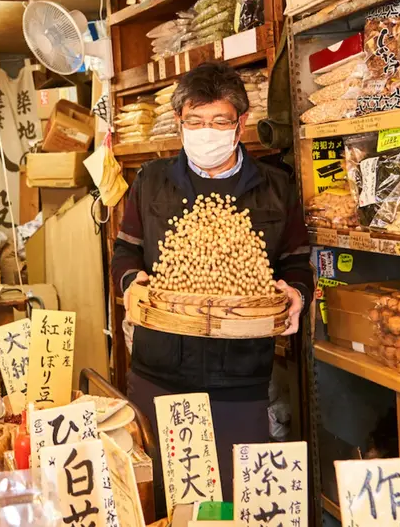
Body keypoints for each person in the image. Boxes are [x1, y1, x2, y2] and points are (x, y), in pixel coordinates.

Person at [111, 61, 310, 511]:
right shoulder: (152, 182)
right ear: (180, 123)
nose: (207, 132)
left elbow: (297, 261)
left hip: (239, 376)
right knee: (163, 499)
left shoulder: (276, 189)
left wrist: (295, 295)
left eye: (219, 122)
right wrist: (131, 284)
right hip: (159, 369)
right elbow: (125, 252)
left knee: (236, 501)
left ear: (240, 124)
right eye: (195, 122)